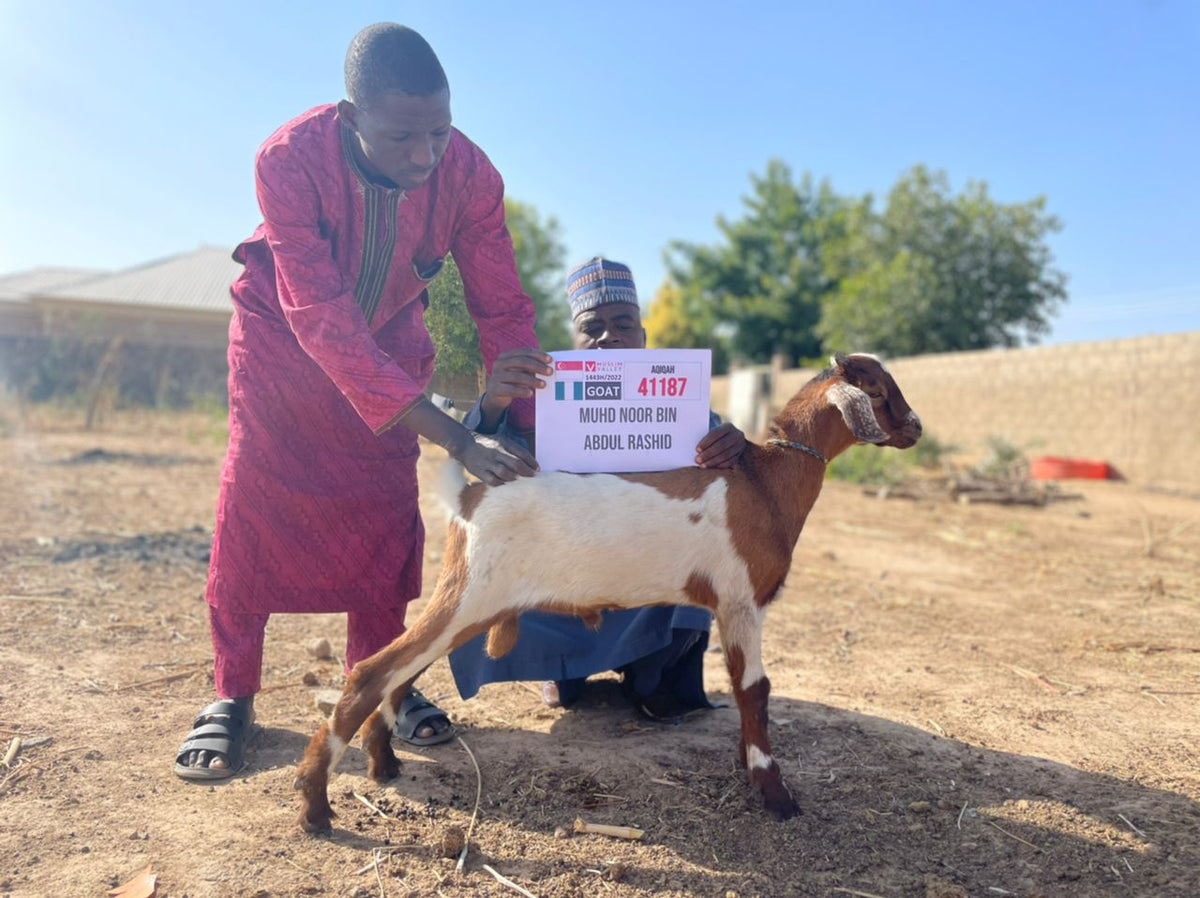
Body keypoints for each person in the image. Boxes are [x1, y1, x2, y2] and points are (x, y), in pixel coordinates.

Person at [174, 23, 543, 780]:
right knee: (254, 507)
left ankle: (384, 685)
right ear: (351, 117)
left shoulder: (470, 176)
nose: (425, 155)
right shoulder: (289, 159)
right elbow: (319, 315)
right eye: (403, 135)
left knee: (381, 514)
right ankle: (232, 694)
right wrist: (457, 437)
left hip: (394, 339)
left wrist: (534, 433)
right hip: (282, 342)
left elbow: (502, 311)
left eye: (438, 131)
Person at [448, 257, 746, 720]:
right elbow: (484, 451)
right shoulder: (541, 397)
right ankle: (563, 671)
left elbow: (722, 482)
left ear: (643, 339)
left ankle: (653, 677)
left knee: (701, 560)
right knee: (511, 579)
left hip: (646, 565)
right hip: (566, 570)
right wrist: (492, 404)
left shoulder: (677, 401)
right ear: (575, 342)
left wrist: (734, 447)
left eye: (623, 324)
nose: (609, 336)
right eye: (593, 327)